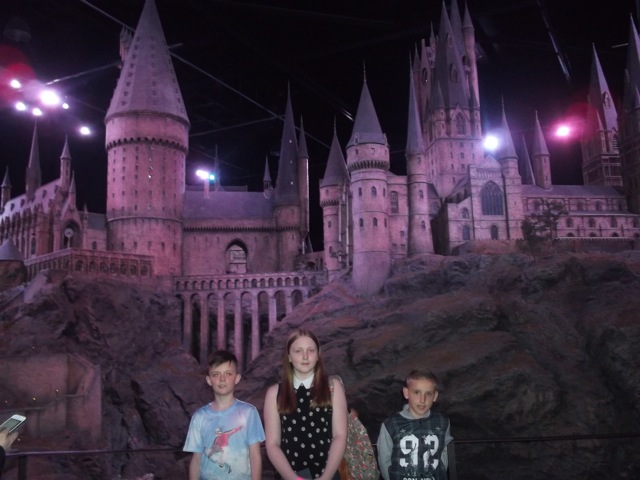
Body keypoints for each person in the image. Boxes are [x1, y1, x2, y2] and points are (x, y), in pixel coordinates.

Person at [264, 329, 347, 480]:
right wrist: (292, 478)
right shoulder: (274, 393)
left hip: (327, 472)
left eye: (311, 350)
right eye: (298, 351)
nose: (305, 356)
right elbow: (272, 444)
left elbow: (340, 435)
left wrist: (326, 477)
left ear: (318, 355)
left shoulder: (333, 387)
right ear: (289, 357)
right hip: (290, 474)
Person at [184, 350, 265, 480]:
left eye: (228, 374)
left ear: (237, 378)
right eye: (216, 374)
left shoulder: (249, 413)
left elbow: (255, 454)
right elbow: (196, 458)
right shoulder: (199, 417)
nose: (222, 379)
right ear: (209, 380)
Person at [377, 370, 453, 480]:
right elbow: (384, 458)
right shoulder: (391, 425)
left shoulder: (442, 423)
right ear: (406, 393)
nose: (422, 400)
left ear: (435, 396)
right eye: (417, 392)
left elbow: (444, 452)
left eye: (428, 394)